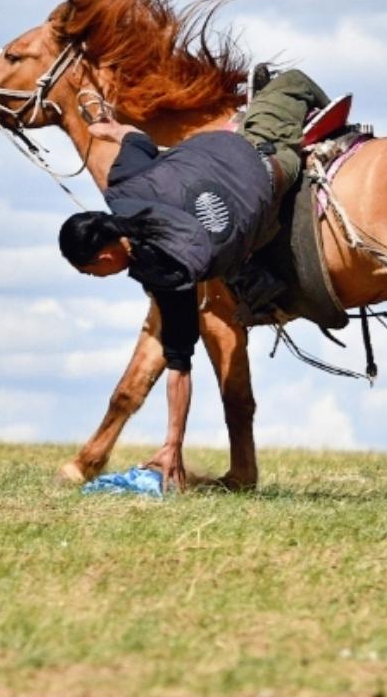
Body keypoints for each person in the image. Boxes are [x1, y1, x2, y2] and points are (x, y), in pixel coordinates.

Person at [58, 68, 329, 492]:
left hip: (270, 172)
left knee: (294, 90)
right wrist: (110, 128)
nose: (96, 278)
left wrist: (172, 443)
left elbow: (180, 369)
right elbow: (137, 140)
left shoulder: (167, 270)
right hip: (235, 145)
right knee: (290, 82)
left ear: (107, 253)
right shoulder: (122, 186)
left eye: (91, 271)